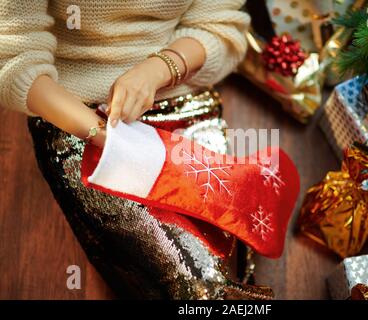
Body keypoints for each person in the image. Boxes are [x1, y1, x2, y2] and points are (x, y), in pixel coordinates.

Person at [0, 0, 271, 299]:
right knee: (198, 287)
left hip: (180, 90)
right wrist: (106, 135)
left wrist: (158, 69)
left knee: (233, 249)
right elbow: (14, 58)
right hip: (78, 115)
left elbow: (221, 25)